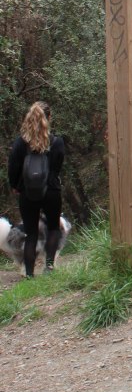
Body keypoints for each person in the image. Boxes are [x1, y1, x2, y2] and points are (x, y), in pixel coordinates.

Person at [7, 101, 65, 277]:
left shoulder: (20, 143)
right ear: (49, 118)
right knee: (53, 228)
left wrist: (16, 186)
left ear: (29, 118)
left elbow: (13, 168)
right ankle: (49, 267)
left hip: (27, 192)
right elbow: (57, 166)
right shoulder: (57, 142)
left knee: (31, 234)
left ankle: (29, 274)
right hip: (51, 191)